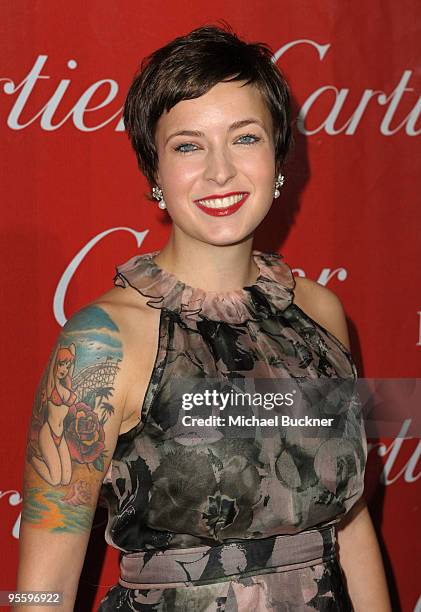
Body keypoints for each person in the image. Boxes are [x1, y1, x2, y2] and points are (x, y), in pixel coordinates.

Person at [16, 23, 391, 612]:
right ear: (155, 174)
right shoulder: (102, 343)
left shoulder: (321, 314)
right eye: (188, 145)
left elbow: (348, 521)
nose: (220, 172)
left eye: (245, 139)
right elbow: (42, 587)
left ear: (279, 155)